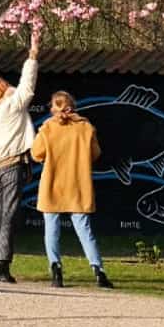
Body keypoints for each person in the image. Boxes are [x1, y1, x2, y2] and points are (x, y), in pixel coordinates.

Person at [31, 90, 113, 289]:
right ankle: (98, 270)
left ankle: (56, 269)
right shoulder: (85, 127)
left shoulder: (48, 128)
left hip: (53, 184)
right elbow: (95, 153)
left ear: (55, 108)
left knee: (52, 230)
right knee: (85, 230)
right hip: (78, 184)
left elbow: (36, 153)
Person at [0, 25, 40, 283]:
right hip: (12, 166)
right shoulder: (10, 105)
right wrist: (33, 55)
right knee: (9, 215)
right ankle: (2, 264)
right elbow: (28, 86)